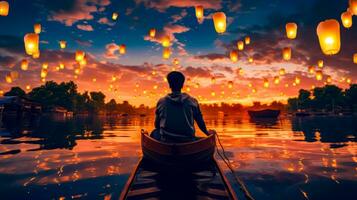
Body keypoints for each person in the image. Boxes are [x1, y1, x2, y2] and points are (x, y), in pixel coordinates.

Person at [151, 71, 212, 143]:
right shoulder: (192, 101)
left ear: (169, 85)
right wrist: (207, 133)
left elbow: (157, 125)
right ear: (182, 85)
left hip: (166, 140)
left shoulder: (161, 102)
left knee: (154, 132)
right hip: (188, 140)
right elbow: (200, 122)